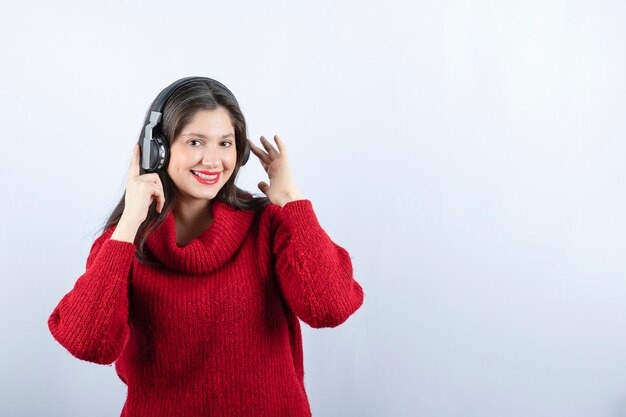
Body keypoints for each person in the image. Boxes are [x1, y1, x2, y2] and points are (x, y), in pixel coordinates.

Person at [47, 76, 364, 417]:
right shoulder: (125, 242)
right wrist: (128, 225)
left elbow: (330, 307)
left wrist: (291, 199)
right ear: (159, 149)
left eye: (225, 144)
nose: (213, 160)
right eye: (196, 142)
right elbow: (88, 343)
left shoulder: (269, 224)